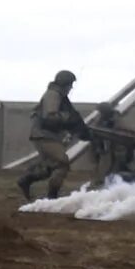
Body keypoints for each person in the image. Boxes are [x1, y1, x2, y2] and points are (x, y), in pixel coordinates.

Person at [16, 70, 90, 200]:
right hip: (44, 135)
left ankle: (26, 180)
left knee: (51, 166)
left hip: (46, 135)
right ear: (64, 84)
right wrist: (68, 119)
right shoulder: (53, 95)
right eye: (70, 84)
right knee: (62, 163)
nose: (71, 88)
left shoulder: (58, 95)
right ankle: (52, 196)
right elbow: (50, 117)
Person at [89, 102, 135, 184]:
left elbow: (122, 131)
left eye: (102, 112)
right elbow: (96, 129)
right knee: (104, 167)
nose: (101, 114)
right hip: (106, 148)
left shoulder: (116, 119)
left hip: (118, 149)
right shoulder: (101, 119)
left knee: (115, 169)